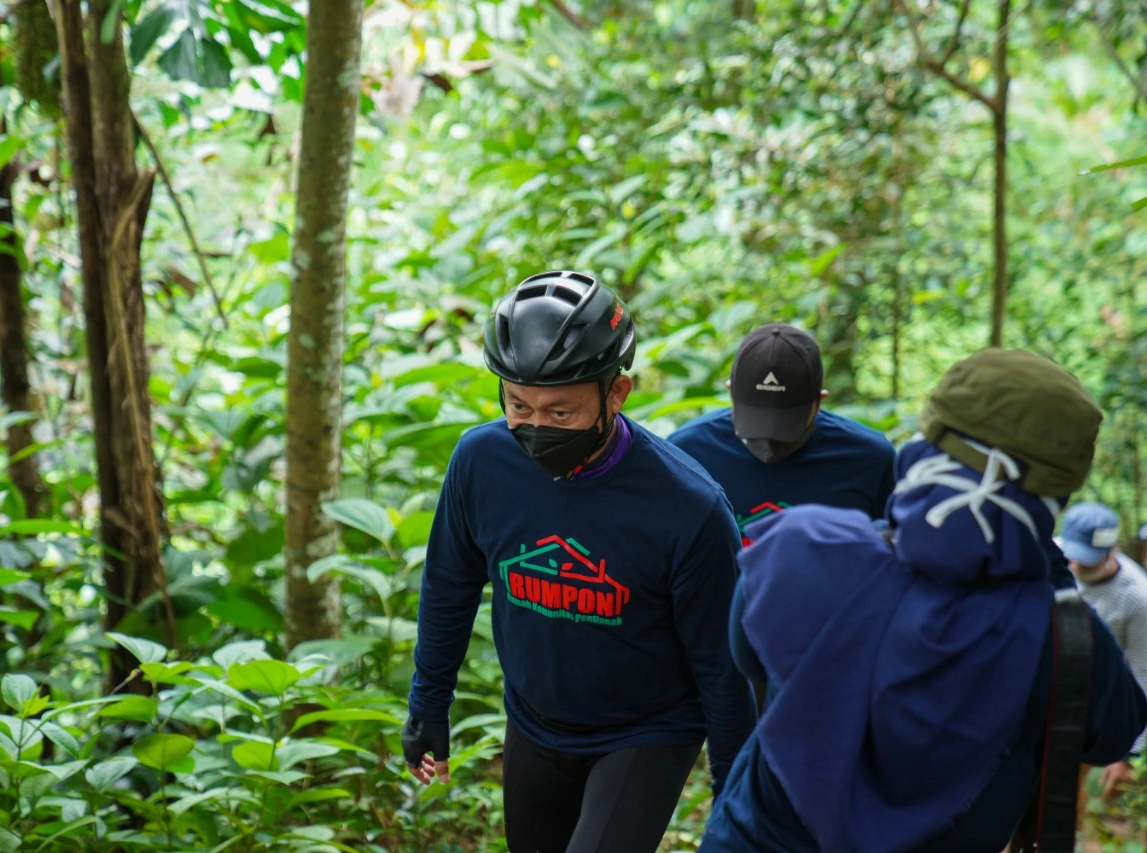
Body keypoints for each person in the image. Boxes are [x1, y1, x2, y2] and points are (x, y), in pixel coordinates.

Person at [700, 348, 1147, 853]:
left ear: (925, 447)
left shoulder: (804, 548)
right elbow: (1116, 732)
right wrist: (1047, 569)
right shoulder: (1064, 636)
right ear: (1055, 494)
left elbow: (748, 658)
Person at [402, 270, 755, 853]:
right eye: (518, 405)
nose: (537, 427)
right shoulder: (481, 463)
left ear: (616, 393)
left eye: (561, 413)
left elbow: (722, 664)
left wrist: (736, 794)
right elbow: (448, 585)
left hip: (647, 732)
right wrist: (428, 703)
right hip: (535, 721)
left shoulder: (688, 507)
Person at [670, 324, 895, 547]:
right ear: (730, 392)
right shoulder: (686, 453)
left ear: (819, 402)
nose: (768, 443)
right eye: (756, 419)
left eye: (785, 422)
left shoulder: (870, 459)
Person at [1058, 502, 1147, 801]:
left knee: (1063, 792)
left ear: (1113, 550)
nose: (1077, 565)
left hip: (1086, 702)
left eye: (1088, 560)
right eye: (1073, 555)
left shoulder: (1136, 597)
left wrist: (1130, 753)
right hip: (1040, 685)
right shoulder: (1049, 559)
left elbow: (1143, 672)